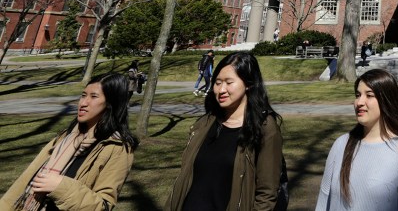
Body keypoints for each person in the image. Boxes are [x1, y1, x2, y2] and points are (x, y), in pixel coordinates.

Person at [1, 73, 138, 211]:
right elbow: (24, 180)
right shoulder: (66, 136)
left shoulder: (118, 148)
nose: (83, 103)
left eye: (94, 96)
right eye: (83, 95)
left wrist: (60, 187)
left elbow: (103, 206)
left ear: (110, 103)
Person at [166, 52, 284, 211]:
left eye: (229, 82)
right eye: (217, 82)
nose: (221, 90)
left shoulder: (264, 128)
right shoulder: (205, 123)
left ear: (248, 83)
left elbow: (267, 193)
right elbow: (185, 176)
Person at [315, 68, 398, 211]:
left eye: (369, 95)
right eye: (358, 95)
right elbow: (323, 199)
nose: (359, 102)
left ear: (387, 100)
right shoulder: (341, 144)